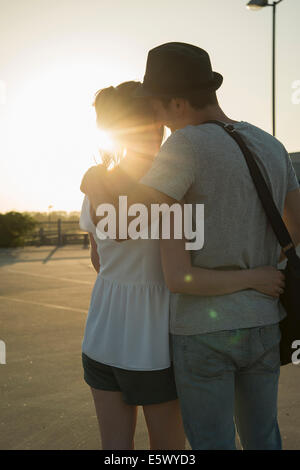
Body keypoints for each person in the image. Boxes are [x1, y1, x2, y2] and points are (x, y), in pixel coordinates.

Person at [81, 43, 300, 450]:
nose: (161, 120)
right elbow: (294, 224)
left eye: (160, 106)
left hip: (147, 331)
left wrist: (99, 179)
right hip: (219, 329)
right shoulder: (265, 145)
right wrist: (261, 268)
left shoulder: (163, 159)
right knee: (253, 439)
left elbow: (113, 253)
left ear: (176, 103)